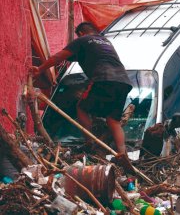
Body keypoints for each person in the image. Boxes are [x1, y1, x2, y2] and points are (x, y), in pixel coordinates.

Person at [31, 22, 132, 154]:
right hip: (123, 81)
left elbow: (58, 57)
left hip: (102, 78)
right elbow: (73, 58)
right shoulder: (106, 41)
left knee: (82, 108)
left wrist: (40, 69)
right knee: (113, 120)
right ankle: (122, 154)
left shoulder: (82, 40)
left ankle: (90, 143)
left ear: (81, 33)